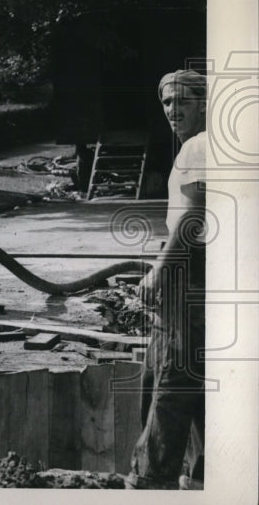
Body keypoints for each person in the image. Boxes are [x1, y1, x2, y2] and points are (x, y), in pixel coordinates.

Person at [127, 69, 207, 490]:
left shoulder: (198, 146)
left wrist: (160, 269)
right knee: (192, 375)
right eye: (167, 102)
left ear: (205, 102)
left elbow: (193, 218)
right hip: (201, 271)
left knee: (171, 380)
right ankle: (201, 476)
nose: (173, 110)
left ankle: (150, 479)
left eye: (183, 101)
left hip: (188, 272)